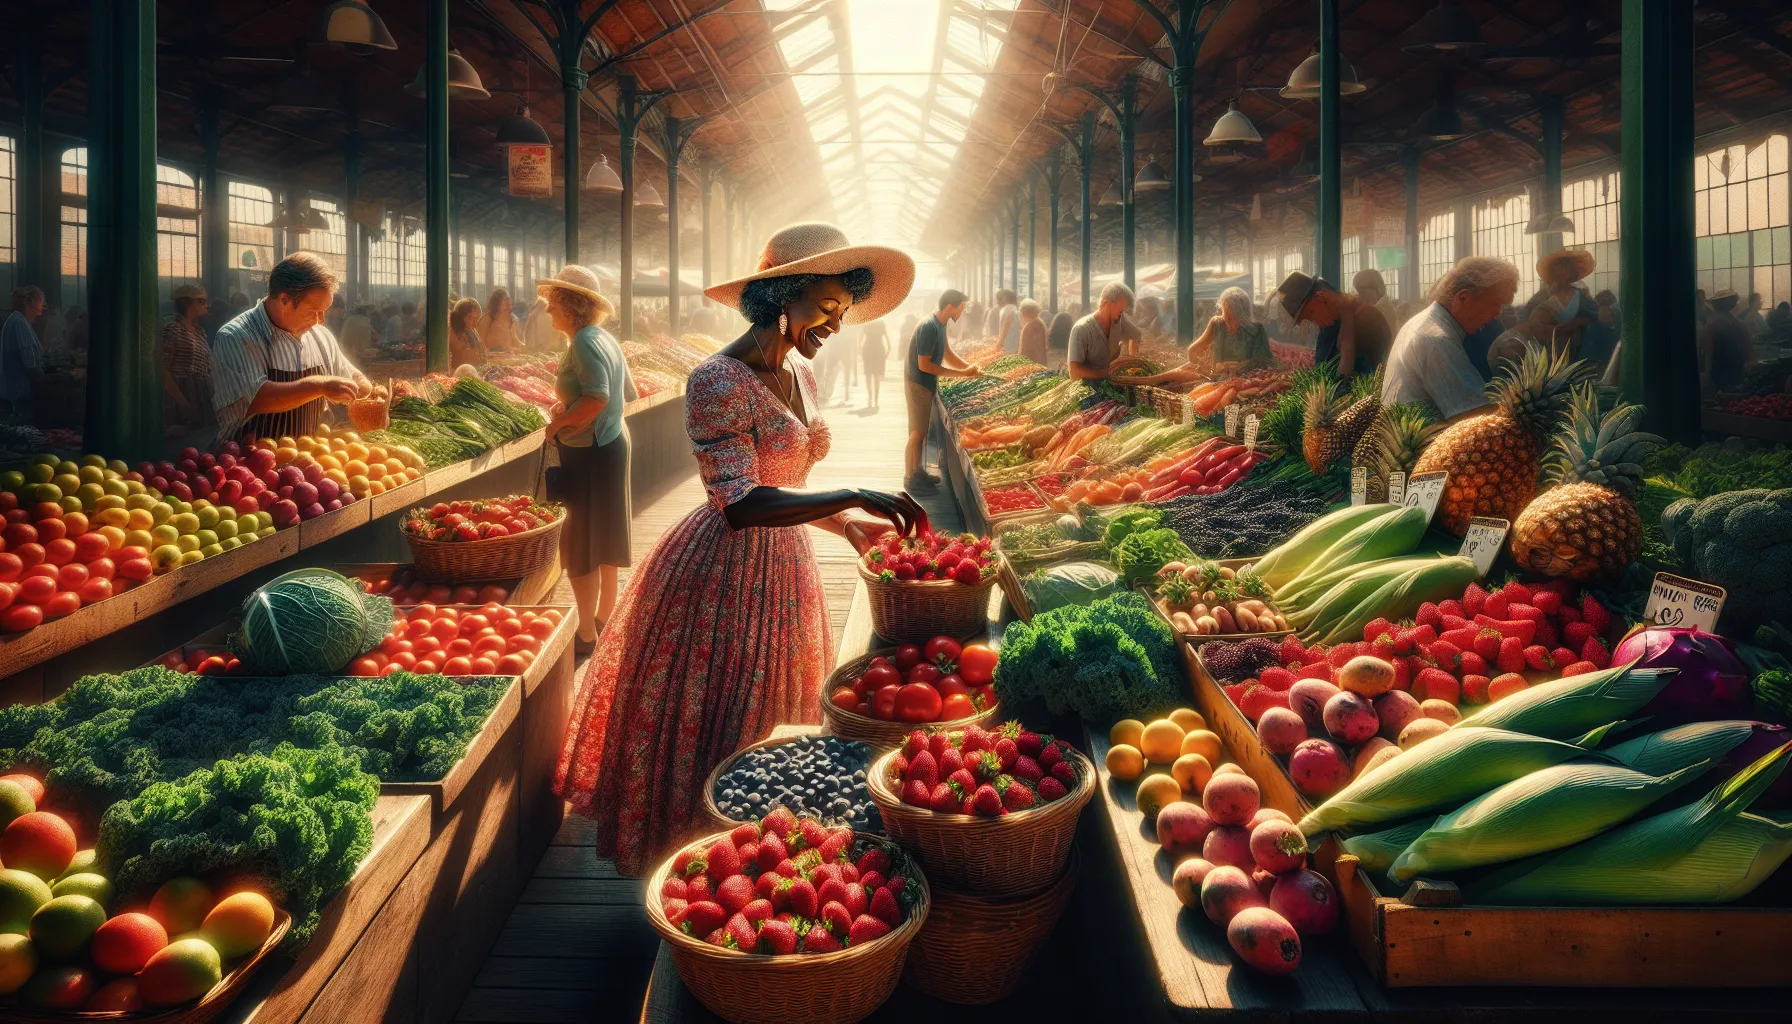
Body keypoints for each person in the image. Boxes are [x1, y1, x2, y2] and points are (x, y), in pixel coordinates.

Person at [555, 223, 925, 875]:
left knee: (772, 722)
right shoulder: (716, 380)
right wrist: (852, 495)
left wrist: (848, 529)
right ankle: (698, 864)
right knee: (718, 720)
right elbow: (742, 502)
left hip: (786, 571)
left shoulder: (802, 378)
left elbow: (783, 489)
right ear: (782, 292)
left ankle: (759, 860)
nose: (835, 324)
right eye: (825, 307)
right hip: (718, 576)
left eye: (843, 311)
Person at [539, 266, 636, 656]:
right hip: (610, 443)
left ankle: (584, 632)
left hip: (590, 450)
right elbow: (620, 392)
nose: (548, 312)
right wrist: (569, 406)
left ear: (571, 306)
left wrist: (559, 423)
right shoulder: (603, 338)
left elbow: (597, 398)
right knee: (607, 535)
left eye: (553, 305)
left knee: (581, 543)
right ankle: (605, 618)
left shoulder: (582, 342)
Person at [210, 251, 372, 443]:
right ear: (284, 300)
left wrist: (363, 387)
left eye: (324, 311)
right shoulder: (236, 337)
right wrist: (320, 386)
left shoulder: (321, 336)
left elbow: (350, 376)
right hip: (250, 464)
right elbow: (257, 398)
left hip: (313, 461)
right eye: (313, 311)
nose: (321, 320)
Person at [1382, 255, 1519, 422]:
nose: (1498, 314)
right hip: (1422, 444)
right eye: (1495, 303)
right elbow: (1475, 417)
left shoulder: (1425, 322)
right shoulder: (1437, 339)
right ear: (1463, 298)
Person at [906, 288, 980, 492]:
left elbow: (947, 353)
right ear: (950, 306)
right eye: (961, 309)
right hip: (918, 382)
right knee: (916, 432)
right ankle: (910, 477)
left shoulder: (940, 323)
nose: (961, 313)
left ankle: (918, 472)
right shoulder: (929, 327)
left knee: (919, 431)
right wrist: (962, 374)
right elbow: (925, 366)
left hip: (925, 383)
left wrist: (968, 368)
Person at [1138, 286, 1269, 385]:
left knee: (1172, 377)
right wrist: (1202, 365)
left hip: (1241, 379)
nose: (1229, 324)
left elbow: (1264, 361)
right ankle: (1149, 380)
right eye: (1225, 317)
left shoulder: (1256, 330)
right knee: (1170, 375)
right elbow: (1192, 351)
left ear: (1243, 315)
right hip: (1214, 376)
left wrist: (1234, 366)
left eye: (1233, 319)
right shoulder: (1217, 323)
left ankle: (1150, 380)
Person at [1275, 270, 1392, 378]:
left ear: (1320, 299)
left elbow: (1355, 369)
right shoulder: (1329, 324)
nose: (1313, 321)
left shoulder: (1365, 317)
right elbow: (1322, 367)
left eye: (1311, 313)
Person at [161, 283, 214, 431]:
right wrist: (183, 404)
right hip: (180, 396)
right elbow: (162, 370)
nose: (206, 305)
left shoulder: (199, 331)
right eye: (201, 301)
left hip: (200, 395)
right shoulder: (173, 329)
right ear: (187, 302)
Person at [1527, 249, 1596, 357]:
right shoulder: (1541, 298)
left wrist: (1579, 323)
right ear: (1552, 272)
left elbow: (1594, 318)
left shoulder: (1582, 297)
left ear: (1573, 271)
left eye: (1566, 268)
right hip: (1550, 356)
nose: (1563, 272)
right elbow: (1532, 326)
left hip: (1580, 354)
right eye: (1558, 268)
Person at [1067, 282, 1140, 380]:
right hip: (1088, 387)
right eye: (1120, 311)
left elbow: (1135, 335)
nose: (1121, 315)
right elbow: (1074, 373)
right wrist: (1106, 376)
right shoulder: (1081, 329)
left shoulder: (1119, 319)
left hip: (1114, 380)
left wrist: (1131, 361)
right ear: (1106, 303)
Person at [1, 286, 46, 420]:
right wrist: (46, 381)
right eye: (40, 302)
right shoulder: (19, 324)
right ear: (31, 302)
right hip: (19, 394)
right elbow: (30, 365)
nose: (41, 307)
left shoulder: (16, 321)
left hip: (13, 392)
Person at [1700, 288, 1752, 393]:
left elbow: (1709, 352)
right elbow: (1747, 349)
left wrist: (1707, 373)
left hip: (1719, 372)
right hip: (1737, 370)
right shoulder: (1740, 324)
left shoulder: (1712, 326)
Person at [1487, 302, 1557, 378]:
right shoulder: (1509, 344)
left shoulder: (1529, 336)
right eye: (1509, 313)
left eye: (1513, 312)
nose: (1515, 315)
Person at [1352, 268, 1403, 333]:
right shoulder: (1381, 304)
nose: (1358, 295)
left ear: (1374, 287)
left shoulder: (1382, 308)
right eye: (1357, 290)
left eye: (1361, 290)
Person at [479, 287, 521, 355]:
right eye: (505, 301)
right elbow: (479, 343)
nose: (508, 305)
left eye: (509, 301)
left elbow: (519, 343)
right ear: (496, 304)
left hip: (510, 360)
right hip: (491, 360)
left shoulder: (513, 320)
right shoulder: (488, 319)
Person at [860, 316, 888, 411]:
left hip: (867, 349)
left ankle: (870, 397)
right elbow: (887, 339)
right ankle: (875, 399)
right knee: (876, 376)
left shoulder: (866, 323)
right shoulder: (881, 324)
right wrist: (888, 352)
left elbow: (860, 340)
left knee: (868, 375)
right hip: (879, 350)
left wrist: (860, 352)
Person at [449, 298, 486, 367]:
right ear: (460, 316)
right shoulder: (452, 332)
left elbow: (481, 353)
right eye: (471, 318)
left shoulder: (471, 330)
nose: (475, 325)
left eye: (476, 319)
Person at [1017, 298, 1048, 366]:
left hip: (1030, 365)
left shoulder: (1030, 326)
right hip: (1040, 363)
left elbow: (1024, 350)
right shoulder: (1040, 322)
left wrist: (1018, 363)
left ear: (1025, 313)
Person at [993, 288, 1020, 353]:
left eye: (998, 299)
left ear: (1004, 299)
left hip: (1008, 346)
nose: (997, 302)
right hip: (1012, 346)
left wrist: (999, 344)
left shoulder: (1007, 309)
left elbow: (1004, 328)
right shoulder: (1010, 309)